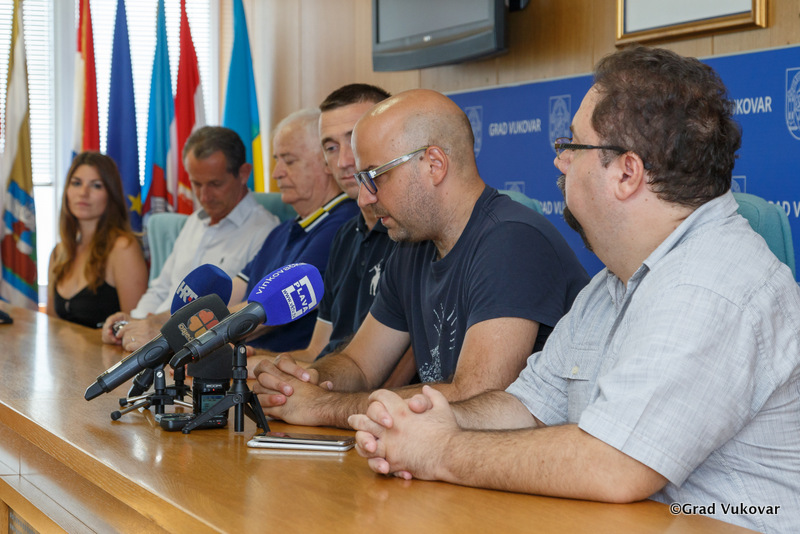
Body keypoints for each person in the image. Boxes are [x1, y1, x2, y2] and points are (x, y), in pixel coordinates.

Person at [349, 46, 800, 534]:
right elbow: (528, 406)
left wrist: (441, 449)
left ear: (626, 173)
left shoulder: (710, 284)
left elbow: (613, 464)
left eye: (573, 146)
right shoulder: (612, 282)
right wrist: (425, 420)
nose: (560, 162)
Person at [252, 89, 589, 429]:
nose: (364, 199)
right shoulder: (412, 245)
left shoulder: (513, 240)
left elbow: (477, 398)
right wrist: (304, 381)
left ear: (434, 164)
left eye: (375, 176)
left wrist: (322, 406)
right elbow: (359, 364)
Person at [101, 126, 279, 350]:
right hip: (151, 342)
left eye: (215, 184)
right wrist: (132, 324)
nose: (204, 196)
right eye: (196, 184)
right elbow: (161, 288)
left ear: (243, 173)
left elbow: (237, 315)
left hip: (195, 351)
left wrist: (153, 329)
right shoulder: (194, 221)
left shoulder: (266, 232)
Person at [228, 108, 360, 352]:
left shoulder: (343, 225)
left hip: (280, 366)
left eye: (289, 161)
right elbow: (231, 293)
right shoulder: (282, 230)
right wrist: (167, 326)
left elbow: (266, 312)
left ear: (327, 162)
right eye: (277, 160)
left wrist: (189, 336)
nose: (276, 173)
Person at [47, 152, 148, 328]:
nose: (83, 193)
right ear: (67, 191)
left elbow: (136, 328)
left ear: (111, 194)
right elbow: (51, 323)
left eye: (96, 185)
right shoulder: (58, 253)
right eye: (76, 183)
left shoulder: (123, 248)